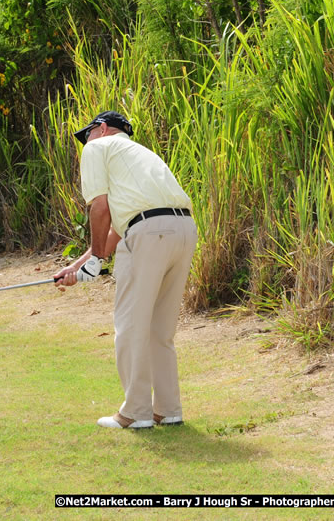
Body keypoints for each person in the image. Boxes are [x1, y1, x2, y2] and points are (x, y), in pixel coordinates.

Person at [53, 110, 197, 430]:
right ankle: (168, 409)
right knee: (160, 329)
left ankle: (135, 413)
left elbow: (101, 208)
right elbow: (117, 228)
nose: (84, 143)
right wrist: (80, 265)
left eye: (86, 134)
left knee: (131, 324)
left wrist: (95, 262)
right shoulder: (139, 155)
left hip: (147, 232)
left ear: (102, 129)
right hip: (183, 229)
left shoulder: (97, 148)